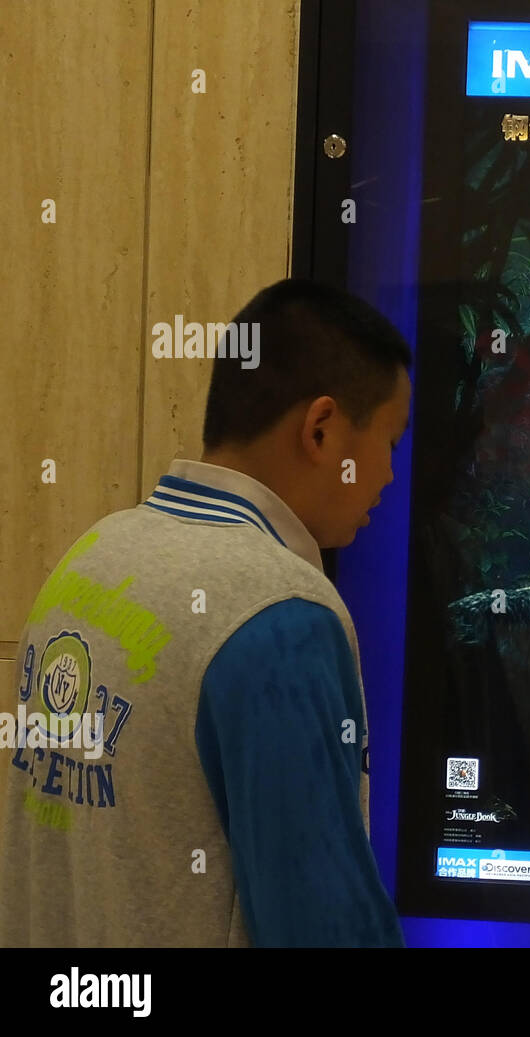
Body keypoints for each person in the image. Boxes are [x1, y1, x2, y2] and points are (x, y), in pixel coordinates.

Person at [0, 280, 410, 947]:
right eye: (391, 440)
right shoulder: (282, 615)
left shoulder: (87, 561)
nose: (390, 475)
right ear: (322, 429)